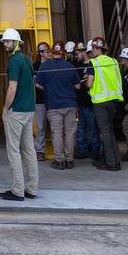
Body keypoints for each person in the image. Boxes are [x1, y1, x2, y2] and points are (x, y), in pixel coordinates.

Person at [0, 28, 39, 202]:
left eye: (7, 42)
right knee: (29, 150)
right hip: (29, 110)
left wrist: (5, 108)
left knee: (13, 150)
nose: (5, 44)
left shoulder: (14, 61)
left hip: (17, 111)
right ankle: (32, 188)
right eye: (5, 42)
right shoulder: (27, 60)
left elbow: (12, 87)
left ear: (15, 43)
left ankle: (17, 191)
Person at [35, 41, 80, 169]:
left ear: (52, 52)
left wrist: (50, 88)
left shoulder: (44, 66)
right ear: (63, 53)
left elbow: (37, 84)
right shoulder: (70, 66)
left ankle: (59, 161)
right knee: (70, 133)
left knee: (57, 133)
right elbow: (77, 86)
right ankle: (69, 160)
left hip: (54, 105)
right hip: (71, 104)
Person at [84, 36, 124, 171]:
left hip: (100, 102)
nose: (92, 52)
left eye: (93, 49)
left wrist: (86, 83)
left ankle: (110, 162)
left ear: (96, 48)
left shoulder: (93, 63)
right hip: (114, 101)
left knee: (105, 132)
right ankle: (116, 161)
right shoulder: (114, 61)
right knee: (110, 130)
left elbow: (89, 84)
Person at [74, 41, 102, 161]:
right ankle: (82, 150)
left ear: (83, 52)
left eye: (77, 53)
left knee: (92, 127)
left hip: (90, 102)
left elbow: (90, 83)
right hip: (80, 102)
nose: (76, 56)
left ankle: (95, 151)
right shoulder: (77, 66)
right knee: (81, 128)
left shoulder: (93, 65)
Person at [33, 41, 51, 160]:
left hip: (52, 99)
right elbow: (35, 83)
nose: (49, 53)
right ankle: (40, 150)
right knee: (40, 127)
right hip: (40, 100)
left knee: (55, 126)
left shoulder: (52, 64)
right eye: (46, 51)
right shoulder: (35, 66)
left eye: (49, 51)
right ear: (40, 53)